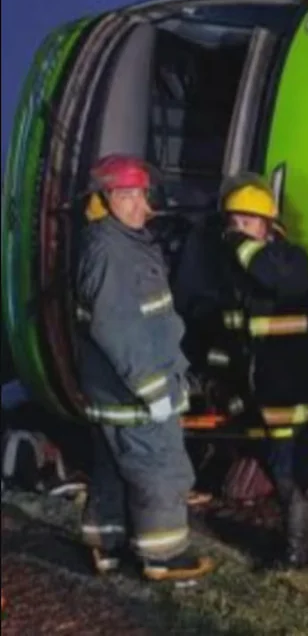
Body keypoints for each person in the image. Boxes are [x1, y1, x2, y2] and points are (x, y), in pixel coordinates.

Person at [73, 153, 214, 582]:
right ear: (103, 199)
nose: (139, 204)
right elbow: (116, 327)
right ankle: (164, 556)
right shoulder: (113, 252)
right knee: (161, 468)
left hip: (112, 392)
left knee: (113, 471)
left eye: (139, 193)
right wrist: (153, 388)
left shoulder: (116, 243)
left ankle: (106, 547)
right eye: (125, 195)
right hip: (134, 392)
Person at [212, 177, 308, 569]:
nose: (238, 229)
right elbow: (231, 333)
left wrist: (239, 246)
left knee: (289, 475)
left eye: (248, 220)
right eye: (234, 221)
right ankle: (306, 527)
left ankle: (296, 556)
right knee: (281, 471)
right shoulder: (236, 274)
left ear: (268, 225)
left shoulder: (292, 261)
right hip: (261, 396)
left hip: (292, 394)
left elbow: (273, 277)